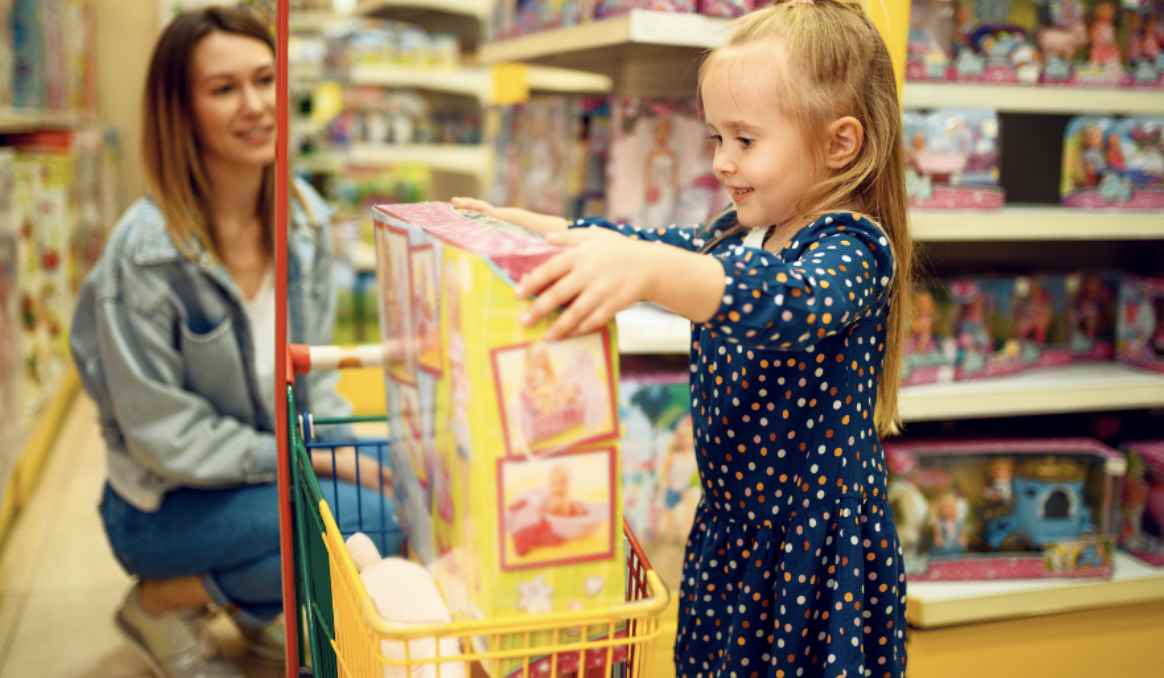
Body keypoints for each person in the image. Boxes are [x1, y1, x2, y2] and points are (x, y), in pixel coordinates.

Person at [454, 1, 912, 674]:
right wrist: (537, 227)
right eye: (715, 139)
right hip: (732, 533)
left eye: (745, 140)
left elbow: (793, 301)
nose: (723, 163)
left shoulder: (853, 247)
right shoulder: (737, 229)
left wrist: (656, 271)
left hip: (812, 555)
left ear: (840, 143)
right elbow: (649, 243)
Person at [69, 7, 402, 677]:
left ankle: (253, 603)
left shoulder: (302, 220)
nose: (256, 106)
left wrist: (341, 449)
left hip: (255, 482)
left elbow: (319, 384)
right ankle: (162, 600)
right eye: (224, 89)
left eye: (265, 80)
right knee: (358, 517)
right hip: (162, 504)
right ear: (181, 111)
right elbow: (165, 435)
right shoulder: (144, 256)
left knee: (388, 502)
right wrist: (308, 463)